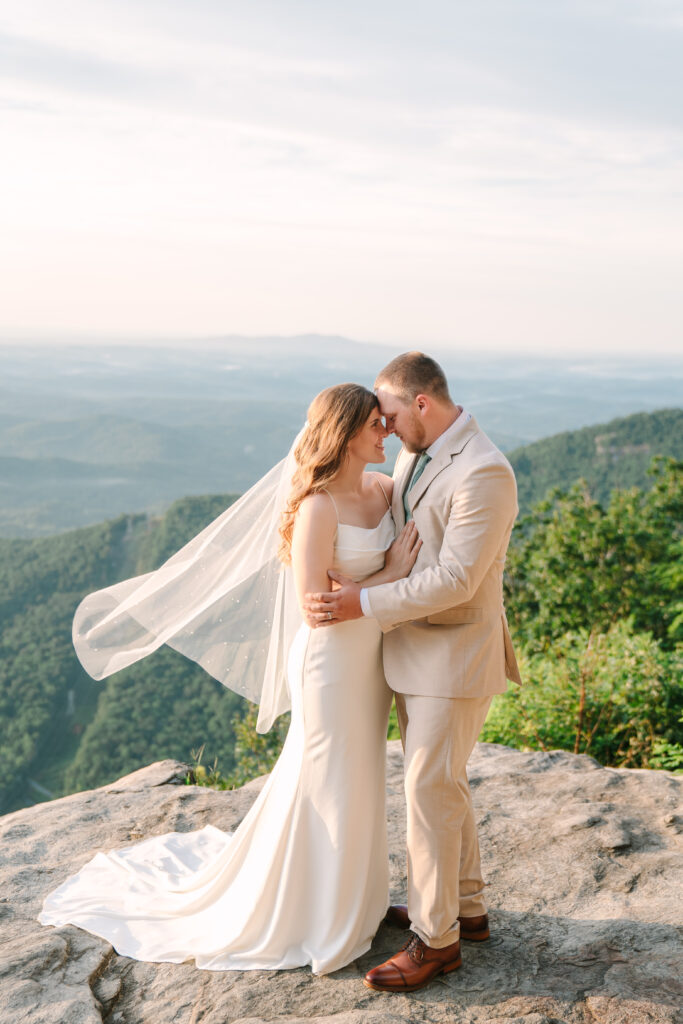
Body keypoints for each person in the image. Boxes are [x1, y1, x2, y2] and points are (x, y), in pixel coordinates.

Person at [38, 383, 422, 976]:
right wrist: (390, 575)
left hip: (369, 660)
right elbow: (315, 603)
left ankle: (360, 900)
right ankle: (318, 911)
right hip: (329, 664)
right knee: (325, 778)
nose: (386, 431)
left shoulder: (383, 488)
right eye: (375, 423)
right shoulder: (319, 507)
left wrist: (387, 585)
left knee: (362, 773)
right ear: (346, 435)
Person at [304, 352, 522, 993]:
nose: (387, 428)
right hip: (409, 651)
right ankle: (468, 908)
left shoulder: (484, 471)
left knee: (428, 789)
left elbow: (456, 581)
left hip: (454, 652)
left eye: (392, 415)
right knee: (443, 784)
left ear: (421, 404)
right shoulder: (413, 453)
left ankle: (436, 941)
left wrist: (360, 600)